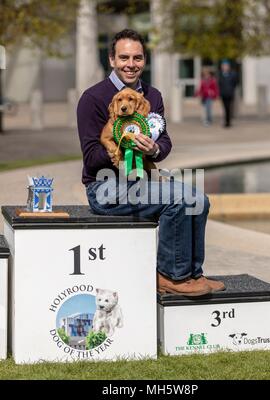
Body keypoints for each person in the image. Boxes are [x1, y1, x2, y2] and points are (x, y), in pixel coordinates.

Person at [77, 29, 225, 296]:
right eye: (123, 57)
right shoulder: (93, 98)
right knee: (179, 199)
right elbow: (90, 157)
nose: (130, 64)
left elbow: (165, 142)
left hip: (142, 181)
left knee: (199, 199)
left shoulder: (152, 97)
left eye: (137, 58)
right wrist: (123, 144)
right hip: (105, 188)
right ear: (111, 60)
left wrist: (153, 148)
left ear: (144, 60)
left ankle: (193, 273)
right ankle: (170, 276)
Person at [218, 60, 238, 128]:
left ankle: (228, 122)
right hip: (223, 94)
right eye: (223, 66)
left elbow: (235, 83)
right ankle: (226, 121)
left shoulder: (233, 74)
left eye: (225, 66)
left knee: (229, 107)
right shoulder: (220, 74)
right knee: (225, 108)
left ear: (228, 66)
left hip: (230, 93)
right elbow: (219, 84)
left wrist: (231, 89)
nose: (224, 67)